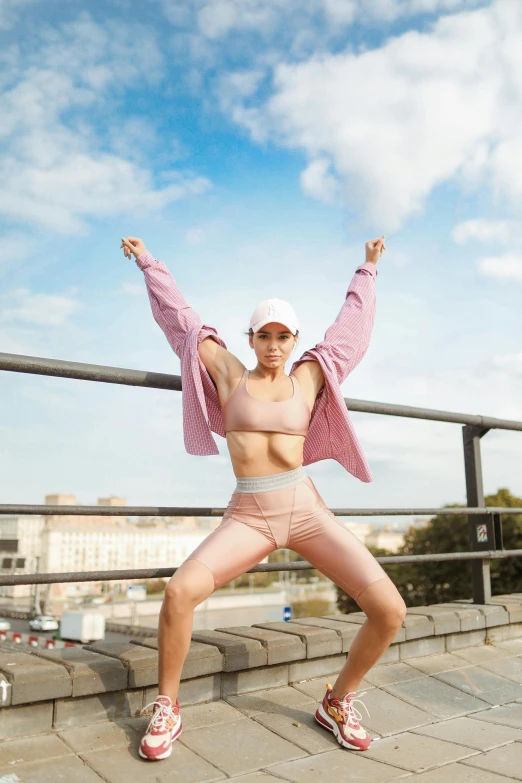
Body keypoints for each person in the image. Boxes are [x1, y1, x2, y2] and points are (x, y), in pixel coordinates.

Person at [120, 234, 406, 761]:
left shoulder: (311, 376)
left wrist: (367, 270)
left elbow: (351, 333)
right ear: (250, 339)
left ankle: (337, 702)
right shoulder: (229, 373)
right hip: (250, 514)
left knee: (390, 609)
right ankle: (167, 705)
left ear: (294, 339)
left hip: (306, 510)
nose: (274, 345)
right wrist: (147, 263)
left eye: (283, 336)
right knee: (179, 593)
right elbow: (182, 320)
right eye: (264, 336)